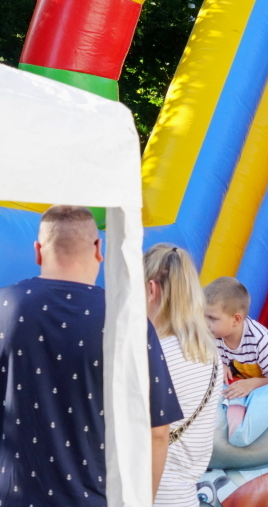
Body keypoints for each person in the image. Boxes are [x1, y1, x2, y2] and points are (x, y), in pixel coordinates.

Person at [0, 205, 182, 505]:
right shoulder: (129, 321)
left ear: (37, 251)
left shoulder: (4, 307)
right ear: (99, 249)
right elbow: (157, 432)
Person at [145, 244, 224, 507]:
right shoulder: (210, 355)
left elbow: (155, 436)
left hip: (149, 494)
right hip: (185, 497)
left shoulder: (153, 355)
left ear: (151, 290)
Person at [205, 276, 268, 438]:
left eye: (212, 318)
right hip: (243, 382)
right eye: (203, 316)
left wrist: (254, 383)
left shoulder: (260, 340)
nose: (205, 323)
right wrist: (219, 363)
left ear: (236, 320)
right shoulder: (213, 333)